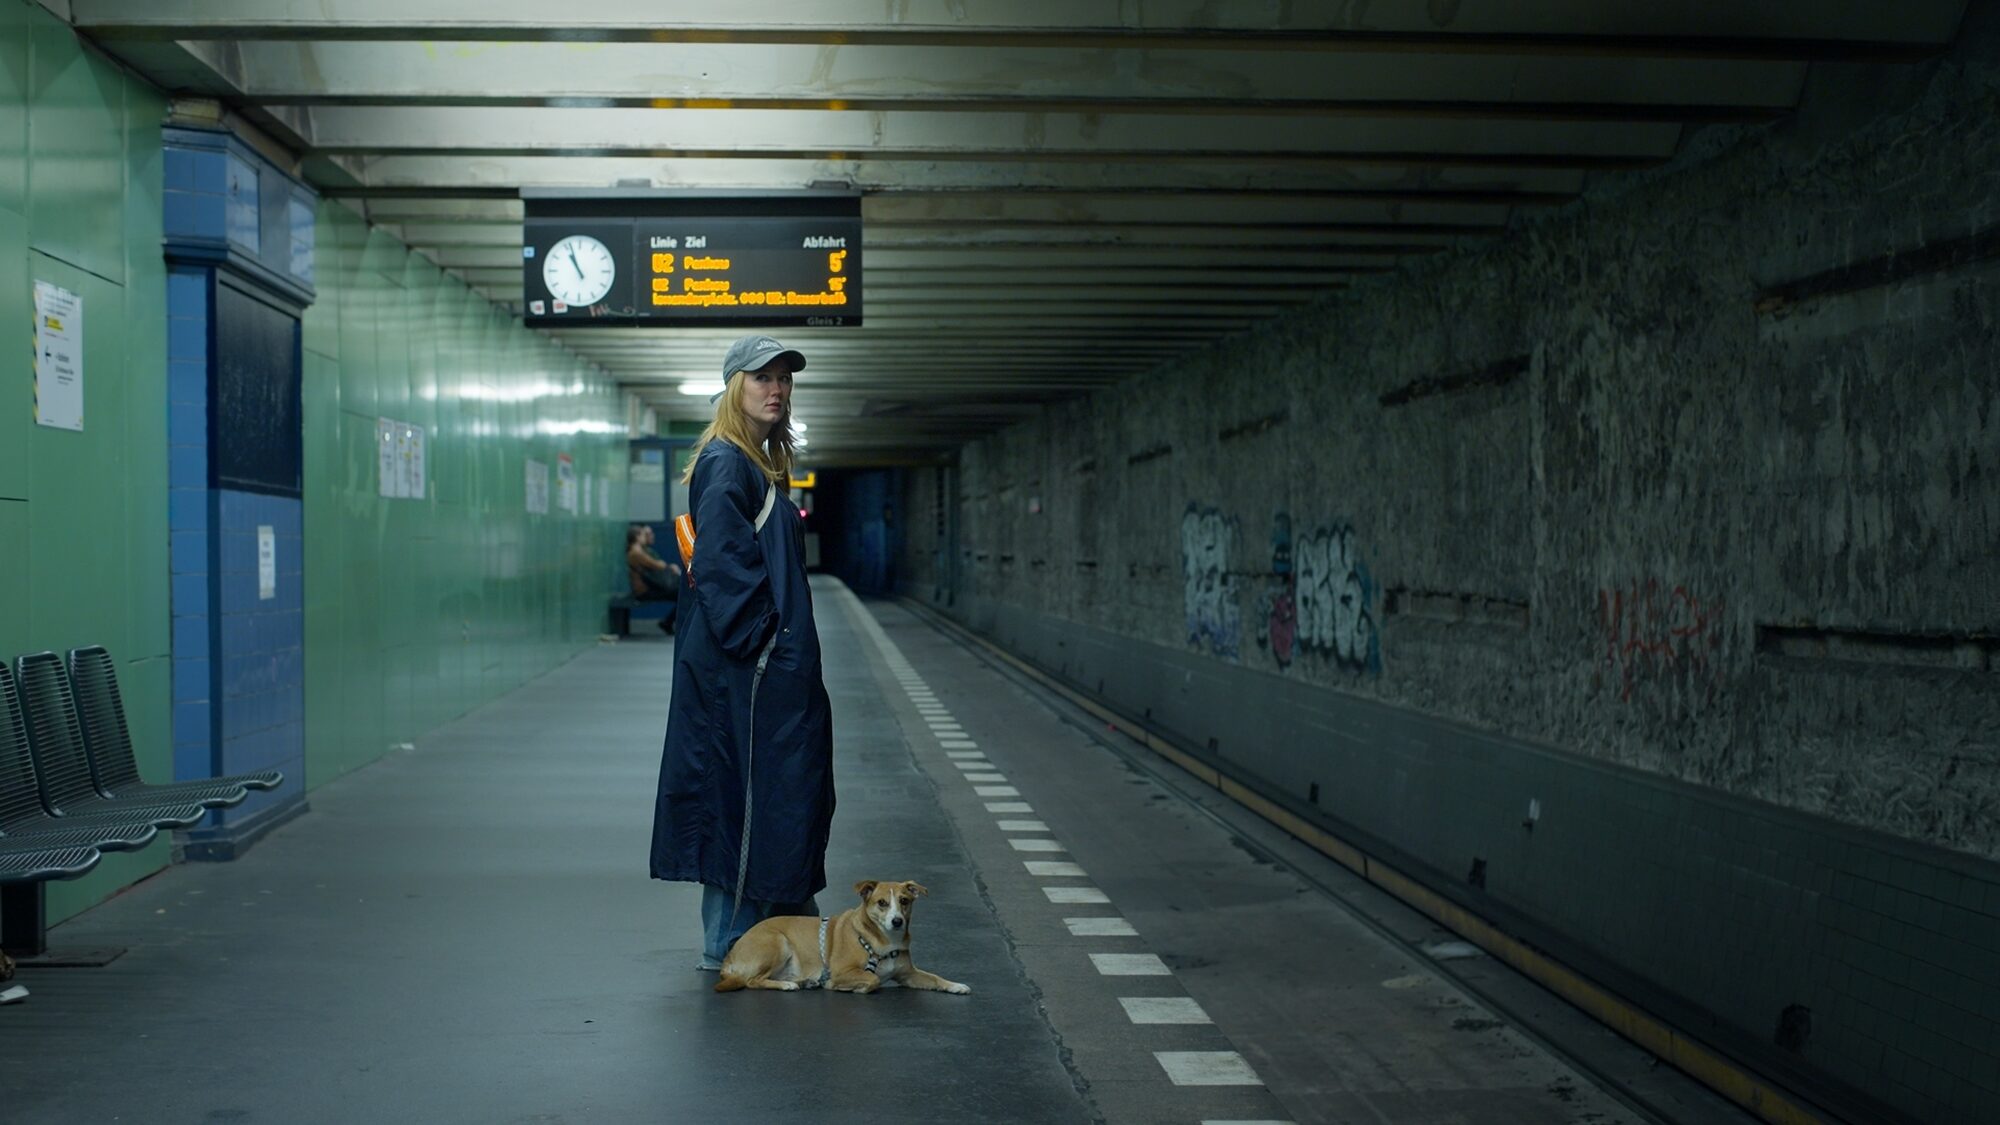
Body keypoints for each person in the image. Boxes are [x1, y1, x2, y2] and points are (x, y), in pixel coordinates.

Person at [648, 335, 835, 971]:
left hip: (765, 672)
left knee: (778, 797)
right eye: (762, 378)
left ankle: (793, 940)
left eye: (784, 379)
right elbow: (724, 571)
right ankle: (732, 945)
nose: (776, 389)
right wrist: (769, 648)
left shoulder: (755, 465)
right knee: (751, 799)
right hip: (749, 675)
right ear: (735, 387)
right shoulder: (728, 464)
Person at [626, 524, 680, 633]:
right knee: (681, 595)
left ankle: (668, 622)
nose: (645, 537)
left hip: (648, 588)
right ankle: (667, 622)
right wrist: (664, 564)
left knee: (680, 594)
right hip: (644, 591)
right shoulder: (636, 552)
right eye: (643, 535)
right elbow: (656, 565)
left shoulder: (637, 551)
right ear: (637, 537)